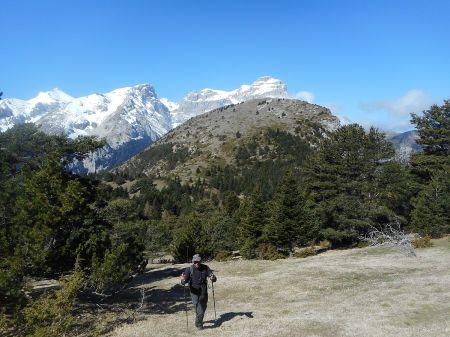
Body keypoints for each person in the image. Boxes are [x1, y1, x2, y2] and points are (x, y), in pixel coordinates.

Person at [181, 254, 217, 330]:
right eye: (195, 262)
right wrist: (183, 280)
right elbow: (184, 281)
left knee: (203, 308)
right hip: (194, 293)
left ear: (200, 261)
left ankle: (198, 319)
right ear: (193, 262)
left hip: (203, 292)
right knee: (200, 310)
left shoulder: (205, 268)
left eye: (198, 261)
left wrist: (213, 277)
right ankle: (199, 324)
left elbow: (213, 277)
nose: (196, 263)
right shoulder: (189, 269)